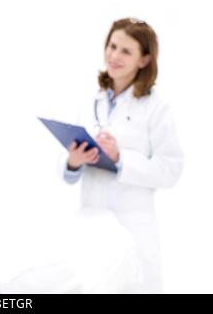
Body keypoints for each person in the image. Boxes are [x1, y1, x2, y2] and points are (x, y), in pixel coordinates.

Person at [59, 18, 184, 293]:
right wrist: (73, 162)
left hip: (134, 227)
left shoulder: (156, 108)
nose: (114, 56)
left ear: (144, 59)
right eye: (112, 46)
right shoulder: (92, 99)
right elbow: (67, 170)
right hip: (91, 224)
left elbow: (171, 169)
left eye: (126, 51)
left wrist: (120, 159)